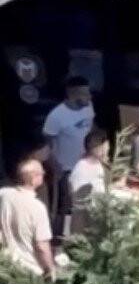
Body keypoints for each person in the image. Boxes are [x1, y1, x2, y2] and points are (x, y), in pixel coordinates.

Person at [42, 76, 95, 236]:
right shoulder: (56, 116)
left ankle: (82, 235)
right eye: (85, 94)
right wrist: (55, 166)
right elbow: (47, 145)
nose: (90, 97)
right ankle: (59, 238)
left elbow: (91, 129)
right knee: (64, 207)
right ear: (73, 95)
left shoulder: (88, 107)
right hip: (66, 169)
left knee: (86, 202)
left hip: (86, 164)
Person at [0, 157, 56, 278]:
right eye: (41, 173)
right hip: (30, 271)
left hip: (6, 264)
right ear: (33, 179)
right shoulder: (37, 207)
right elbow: (42, 245)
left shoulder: (4, 194)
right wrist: (51, 269)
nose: (44, 174)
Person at [69, 128, 110, 234]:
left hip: (98, 217)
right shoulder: (82, 168)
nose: (107, 149)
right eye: (105, 146)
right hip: (85, 222)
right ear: (97, 148)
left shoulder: (101, 165)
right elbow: (79, 199)